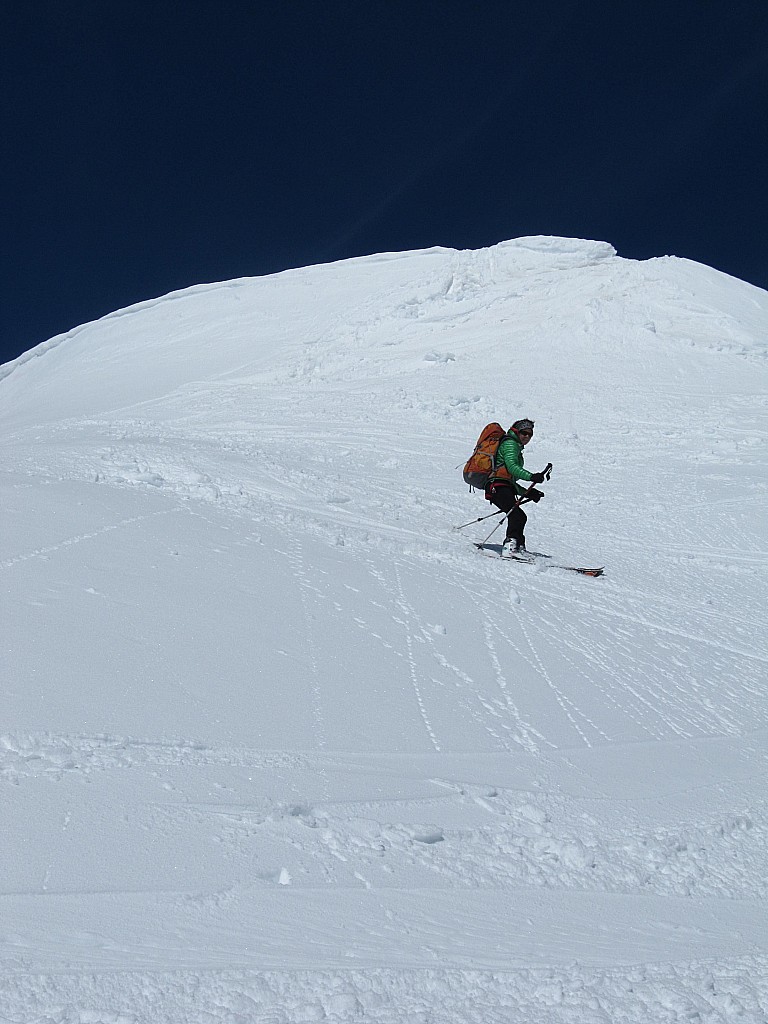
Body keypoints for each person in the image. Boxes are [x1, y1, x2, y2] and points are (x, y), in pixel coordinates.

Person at [485, 418, 545, 553]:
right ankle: (510, 548)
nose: (527, 437)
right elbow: (512, 468)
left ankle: (518, 546)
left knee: (520, 516)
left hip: (502, 485)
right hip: (496, 486)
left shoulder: (515, 446)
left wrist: (528, 492)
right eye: (524, 433)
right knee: (516, 515)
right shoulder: (510, 444)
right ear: (516, 432)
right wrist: (531, 477)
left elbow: (509, 481)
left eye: (530, 434)